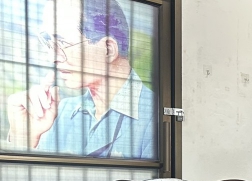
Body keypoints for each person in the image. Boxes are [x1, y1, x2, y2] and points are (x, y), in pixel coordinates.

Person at [6, 0, 156, 159]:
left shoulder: (155, 117)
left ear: (108, 50)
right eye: (49, 44)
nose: (52, 58)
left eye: (62, 43)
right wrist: (24, 138)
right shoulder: (59, 112)